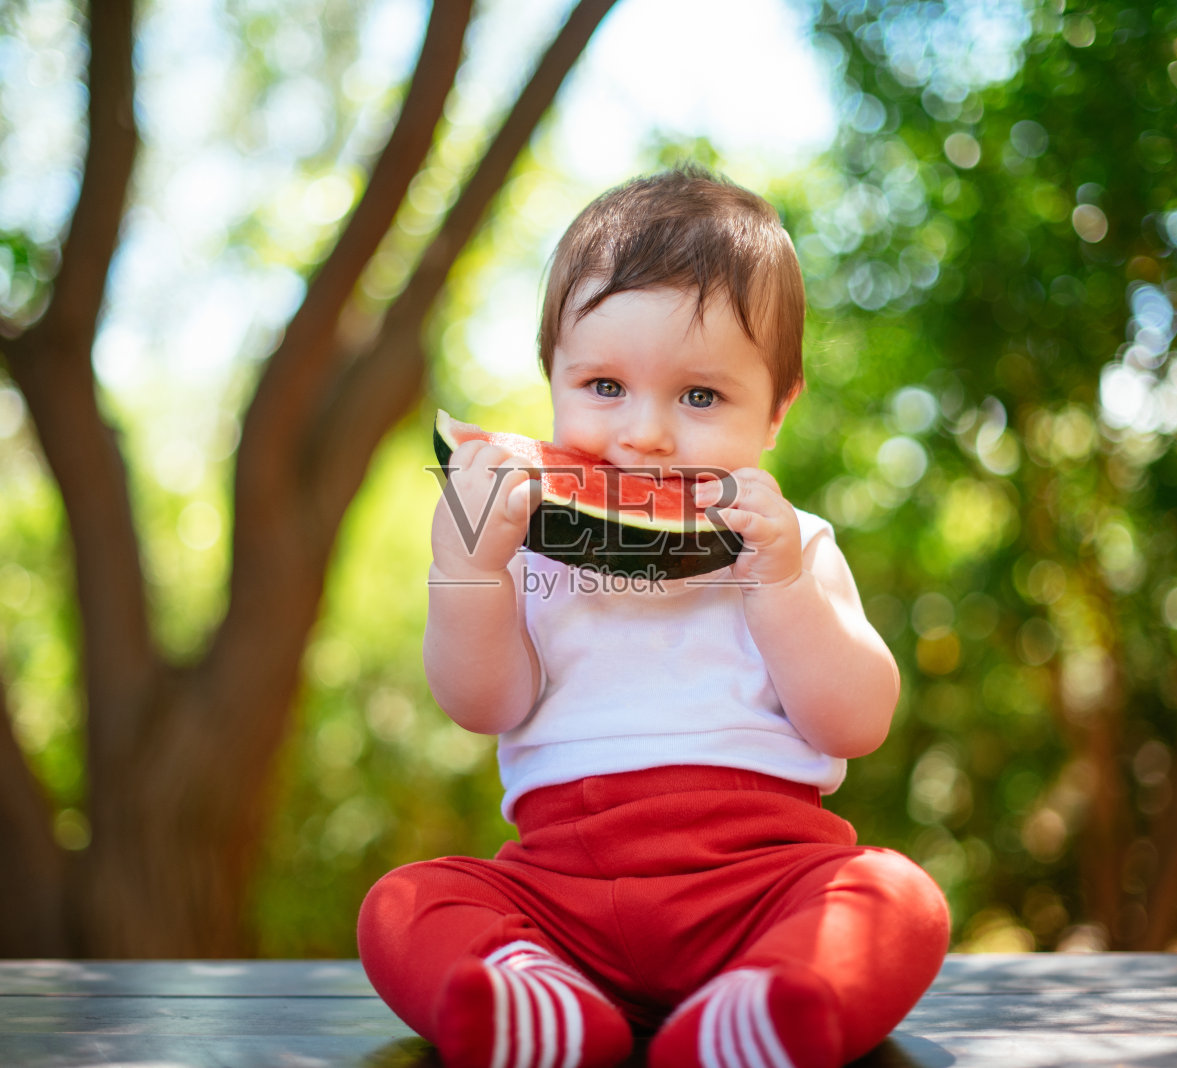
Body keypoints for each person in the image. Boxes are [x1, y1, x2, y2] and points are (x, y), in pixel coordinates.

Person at [358, 167, 949, 1068]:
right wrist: (468, 567)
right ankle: (537, 999)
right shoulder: (522, 542)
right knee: (404, 903)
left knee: (895, 896)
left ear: (778, 411)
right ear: (551, 377)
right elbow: (484, 704)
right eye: (603, 386)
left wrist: (781, 584)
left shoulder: (794, 544)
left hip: (760, 891)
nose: (645, 435)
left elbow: (856, 721)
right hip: (560, 899)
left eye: (701, 397)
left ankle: (760, 1007)